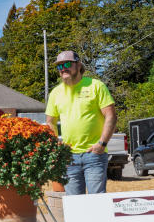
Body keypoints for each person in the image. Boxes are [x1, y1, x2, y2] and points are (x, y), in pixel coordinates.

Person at [44, 50, 117, 195]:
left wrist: (102, 143)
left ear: (78, 65)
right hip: (69, 157)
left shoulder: (96, 86)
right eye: (59, 66)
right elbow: (50, 122)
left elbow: (111, 116)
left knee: (97, 202)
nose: (63, 68)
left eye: (67, 64)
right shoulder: (55, 93)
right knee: (74, 205)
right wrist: (57, 146)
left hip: (94, 155)